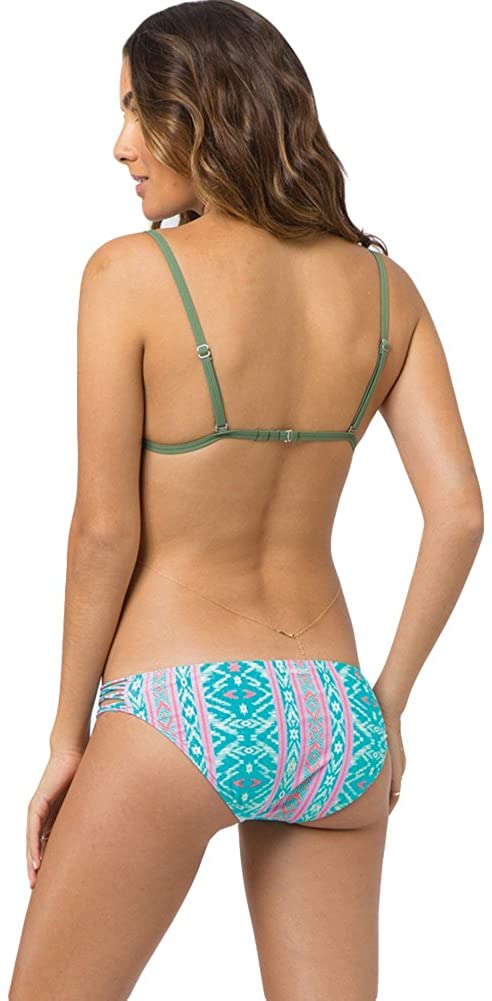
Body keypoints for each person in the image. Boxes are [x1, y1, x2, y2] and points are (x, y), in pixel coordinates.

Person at [9, 2, 484, 999]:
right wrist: (387, 705)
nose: (120, 146)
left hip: (173, 709)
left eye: (138, 111)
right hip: (334, 713)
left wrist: (65, 738)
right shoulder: (387, 289)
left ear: (207, 114)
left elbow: (104, 529)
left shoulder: (130, 273)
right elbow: (460, 512)